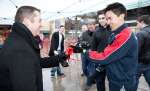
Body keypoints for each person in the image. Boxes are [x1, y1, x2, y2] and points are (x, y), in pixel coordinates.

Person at [0, 6, 67, 91]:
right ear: (27, 21)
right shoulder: (20, 50)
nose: (41, 24)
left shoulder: (21, 40)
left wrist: (59, 58)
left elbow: (36, 62)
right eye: (39, 20)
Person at [87, 2, 138, 91]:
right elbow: (109, 52)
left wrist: (87, 53)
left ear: (121, 16)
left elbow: (104, 57)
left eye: (110, 18)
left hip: (123, 82)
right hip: (115, 78)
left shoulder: (125, 35)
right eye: (107, 19)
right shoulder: (116, 33)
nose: (108, 22)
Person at [90, 10, 111, 91]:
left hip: (111, 61)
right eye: (99, 18)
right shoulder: (96, 32)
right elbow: (93, 48)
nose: (101, 20)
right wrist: (95, 60)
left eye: (103, 18)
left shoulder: (113, 29)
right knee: (99, 81)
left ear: (107, 18)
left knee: (113, 82)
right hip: (100, 61)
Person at [136, 15, 150, 88]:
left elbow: (136, 51)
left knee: (133, 83)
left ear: (142, 22)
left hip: (140, 63)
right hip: (149, 63)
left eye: (137, 23)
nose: (137, 25)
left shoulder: (140, 34)